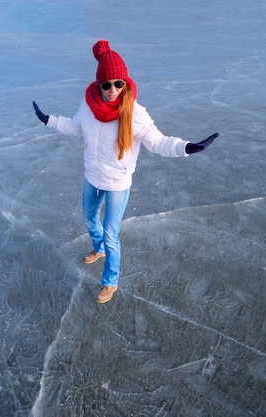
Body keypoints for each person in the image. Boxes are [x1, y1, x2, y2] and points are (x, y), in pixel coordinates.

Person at [32, 40, 218, 304]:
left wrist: (187, 147)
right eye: (106, 84)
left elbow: (159, 141)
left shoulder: (136, 113)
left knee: (111, 233)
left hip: (118, 183)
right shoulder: (88, 106)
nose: (112, 90)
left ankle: (110, 281)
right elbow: (75, 127)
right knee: (89, 219)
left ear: (125, 83)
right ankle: (98, 249)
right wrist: (48, 120)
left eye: (118, 83)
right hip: (92, 177)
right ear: (99, 84)